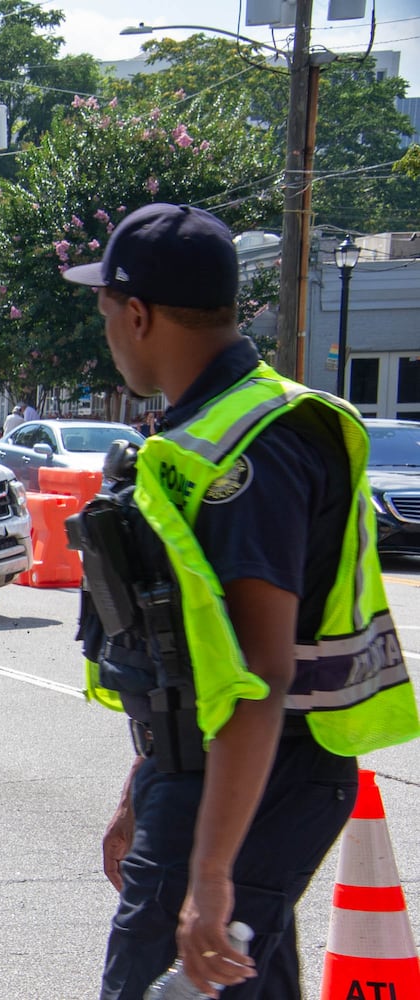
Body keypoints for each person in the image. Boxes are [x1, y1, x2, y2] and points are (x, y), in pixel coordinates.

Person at [62, 202, 419, 999]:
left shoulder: (249, 450)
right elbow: (188, 660)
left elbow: (257, 678)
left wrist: (213, 875)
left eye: (107, 310)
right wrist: (143, 788)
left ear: (141, 314)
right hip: (211, 775)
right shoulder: (202, 434)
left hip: (259, 778)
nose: (107, 330)